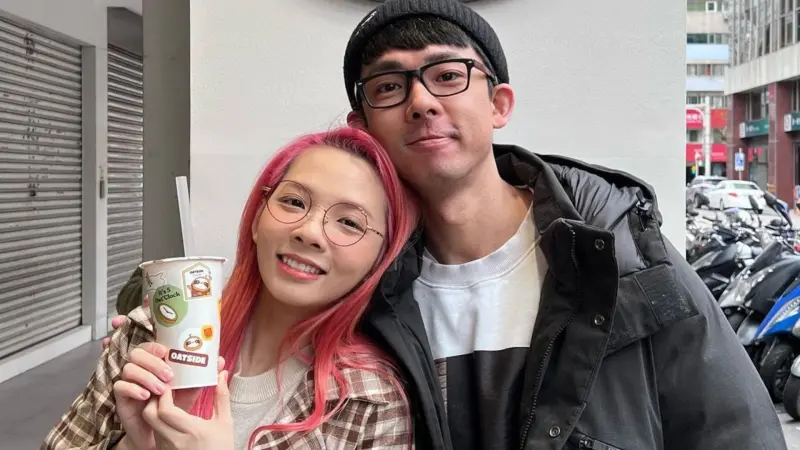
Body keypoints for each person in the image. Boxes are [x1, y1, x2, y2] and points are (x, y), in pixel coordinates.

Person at [104, 1, 786, 449]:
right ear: (362, 126)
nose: (422, 101)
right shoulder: (363, 287)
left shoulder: (618, 255)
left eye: (449, 75)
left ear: (499, 104)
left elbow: (733, 429)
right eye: (390, 86)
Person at [41, 127, 418, 450]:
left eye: (350, 223)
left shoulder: (373, 403)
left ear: (380, 259)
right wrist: (135, 445)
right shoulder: (150, 334)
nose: (309, 232)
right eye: (293, 201)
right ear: (257, 219)